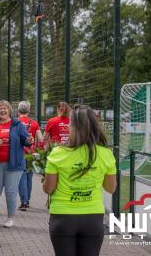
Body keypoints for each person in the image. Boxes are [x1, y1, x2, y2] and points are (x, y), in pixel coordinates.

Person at [43, 105, 117, 256]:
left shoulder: (58, 153)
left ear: (75, 127)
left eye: (70, 123)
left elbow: (48, 189)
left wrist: (46, 180)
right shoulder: (106, 153)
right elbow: (111, 188)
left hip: (62, 218)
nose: (68, 125)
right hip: (93, 217)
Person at [0, 100, 32, 228]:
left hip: (14, 165)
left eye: (5, 109)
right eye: (0, 109)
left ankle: (10, 218)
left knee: (10, 192)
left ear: (10, 110)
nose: (2, 111)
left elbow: (26, 141)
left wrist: (29, 140)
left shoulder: (18, 125)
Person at [17, 101, 44, 211]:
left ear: (18, 110)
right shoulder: (34, 123)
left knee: (21, 177)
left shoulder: (16, 122)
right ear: (28, 110)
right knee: (29, 177)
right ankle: (27, 200)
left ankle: (23, 201)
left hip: (19, 153)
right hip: (31, 153)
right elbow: (41, 139)